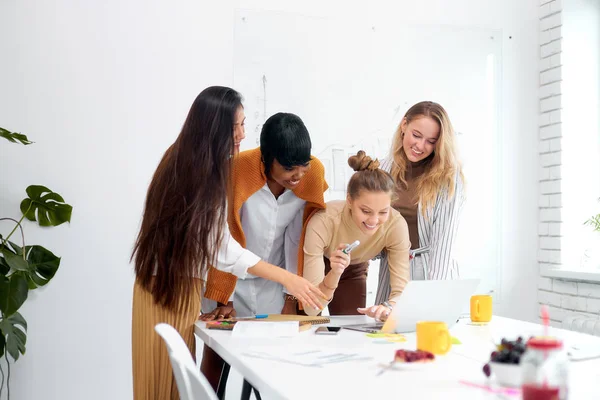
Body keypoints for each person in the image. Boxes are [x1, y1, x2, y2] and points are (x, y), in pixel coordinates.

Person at [130, 86, 326, 400]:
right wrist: (287, 278)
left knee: (163, 382)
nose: (242, 134)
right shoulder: (204, 171)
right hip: (169, 284)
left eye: (244, 124)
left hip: (168, 281)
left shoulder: (185, 158)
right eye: (235, 126)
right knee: (166, 383)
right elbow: (222, 248)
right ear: (213, 127)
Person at [199, 112, 328, 390]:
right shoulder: (236, 170)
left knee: (272, 366)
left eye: (303, 166)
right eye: (289, 168)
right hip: (230, 278)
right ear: (266, 158)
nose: (298, 175)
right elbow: (224, 239)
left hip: (276, 283)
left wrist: (291, 296)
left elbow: (298, 238)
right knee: (216, 363)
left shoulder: (310, 175)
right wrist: (225, 298)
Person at [373, 100, 465, 313]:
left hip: (433, 272)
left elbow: (443, 245)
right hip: (393, 270)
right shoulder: (381, 170)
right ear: (404, 125)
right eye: (416, 135)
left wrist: (434, 300)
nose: (420, 146)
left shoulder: (448, 179)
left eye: (431, 141)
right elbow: (373, 233)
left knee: (429, 338)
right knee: (386, 338)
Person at [302, 150, 411, 321]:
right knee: (307, 323)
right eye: (366, 211)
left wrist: (389, 307)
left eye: (383, 211)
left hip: (354, 269)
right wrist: (335, 272)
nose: (374, 220)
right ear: (349, 201)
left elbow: (401, 291)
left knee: (350, 328)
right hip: (320, 264)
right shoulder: (324, 221)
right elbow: (311, 308)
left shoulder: (396, 225)